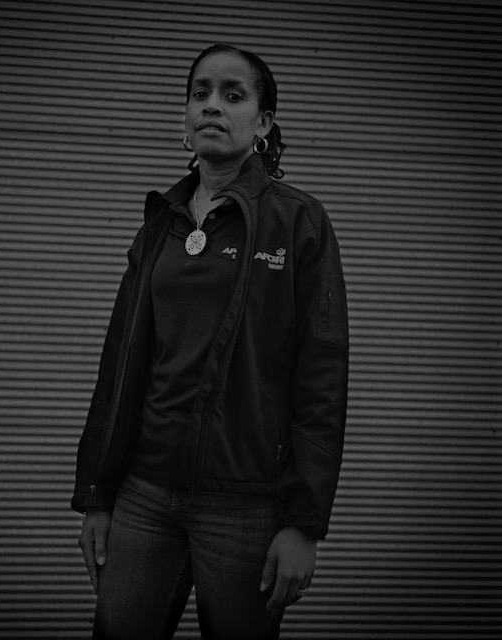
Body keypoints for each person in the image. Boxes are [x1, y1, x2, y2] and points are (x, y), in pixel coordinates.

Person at [71, 43, 349, 640]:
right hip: (144, 494)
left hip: (247, 505)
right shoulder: (160, 224)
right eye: (200, 93)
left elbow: (322, 377)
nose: (212, 105)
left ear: (263, 123)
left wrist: (305, 523)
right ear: (185, 115)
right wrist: (98, 494)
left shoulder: (298, 222)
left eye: (232, 94)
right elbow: (119, 365)